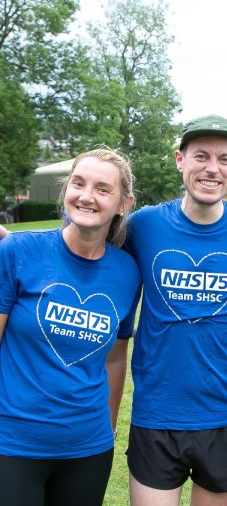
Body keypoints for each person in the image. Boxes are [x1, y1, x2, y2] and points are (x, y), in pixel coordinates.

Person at [123, 115, 227, 506]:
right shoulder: (144, 226)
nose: (212, 168)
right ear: (179, 160)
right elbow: (82, 244)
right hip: (157, 411)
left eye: (224, 159)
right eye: (201, 156)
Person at [0, 148, 141, 505]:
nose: (86, 196)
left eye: (102, 188)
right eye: (78, 183)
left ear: (123, 204)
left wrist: (106, 429)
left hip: (88, 449)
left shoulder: (127, 272)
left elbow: (114, 359)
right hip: (13, 443)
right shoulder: (17, 251)